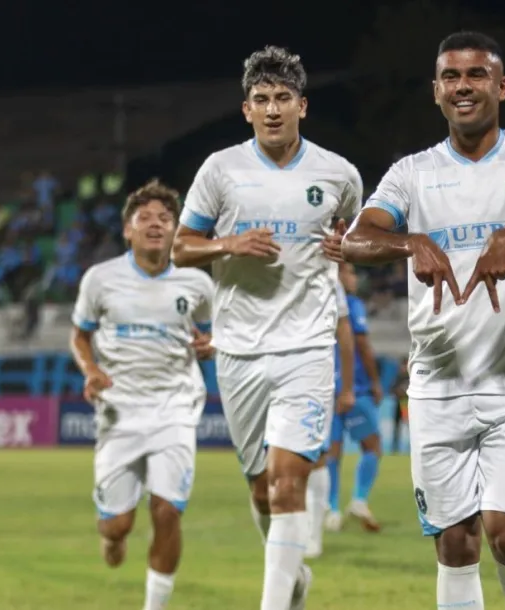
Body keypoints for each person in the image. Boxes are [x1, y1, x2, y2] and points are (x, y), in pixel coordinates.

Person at [337, 30, 505, 610]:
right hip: (438, 383)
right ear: (436, 91)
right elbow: (356, 238)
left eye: (476, 75)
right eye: (451, 77)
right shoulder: (412, 173)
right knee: (455, 544)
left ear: (501, 86)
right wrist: (410, 243)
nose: (463, 86)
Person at [171, 45, 363, 610]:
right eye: (262, 100)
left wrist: (346, 248)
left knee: (287, 482)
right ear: (246, 109)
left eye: (283, 98)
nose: (273, 109)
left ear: (303, 106)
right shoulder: (220, 170)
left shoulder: (338, 173)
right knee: (261, 488)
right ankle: (292, 579)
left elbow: (354, 235)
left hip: (306, 347)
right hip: (238, 350)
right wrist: (228, 243)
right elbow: (181, 247)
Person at [70, 179, 215, 610]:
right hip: (119, 411)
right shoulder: (101, 279)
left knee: (168, 511)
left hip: (175, 407)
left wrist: (209, 345)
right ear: (127, 230)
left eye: (165, 219)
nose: (156, 224)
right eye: (145, 218)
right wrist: (91, 368)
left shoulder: (196, 284)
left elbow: (212, 332)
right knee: (117, 526)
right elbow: (80, 336)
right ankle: (113, 540)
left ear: (175, 230)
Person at [322, 263, 385, 534]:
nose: (354, 277)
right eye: (349, 272)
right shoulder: (351, 304)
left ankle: (332, 509)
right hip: (354, 387)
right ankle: (358, 500)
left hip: (325, 388)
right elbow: (362, 345)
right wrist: (374, 381)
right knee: (373, 446)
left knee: (332, 452)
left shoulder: (319, 301)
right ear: (337, 275)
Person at [305, 277, 356, 558]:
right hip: (266, 371)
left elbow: (344, 331)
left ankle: (313, 536)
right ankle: (299, 525)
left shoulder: (327, 278)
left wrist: (347, 387)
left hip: (314, 376)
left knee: (316, 455)